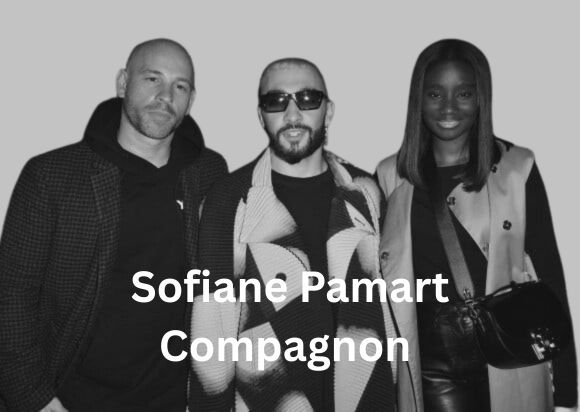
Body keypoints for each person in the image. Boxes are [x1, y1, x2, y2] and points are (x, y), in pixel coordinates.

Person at [0, 38, 228, 411]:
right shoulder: (51, 176)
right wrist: (35, 399)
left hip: (175, 399)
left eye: (180, 86)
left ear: (191, 100)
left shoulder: (209, 172)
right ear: (123, 83)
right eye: (152, 79)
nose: (165, 96)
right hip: (71, 399)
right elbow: (12, 295)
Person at [375, 38, 577, 412]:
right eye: (435, 94)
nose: (449, 107)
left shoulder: (517, 168)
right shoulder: (391, 176)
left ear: (481, 98)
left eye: (464, 93)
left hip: (511, 350)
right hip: (432, 365)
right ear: (418, 100)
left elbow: (549, 271)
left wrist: (567, 386)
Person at [189, 58, 397, 411]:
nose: (292, 113)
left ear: (329, 111)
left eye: (307, 98)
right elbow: (212, 332)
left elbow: (390, 311)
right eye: (276, 101)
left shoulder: (366, 193)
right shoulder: (228, 200)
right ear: (261, 116)